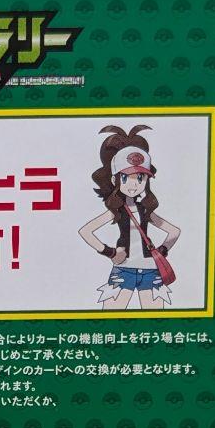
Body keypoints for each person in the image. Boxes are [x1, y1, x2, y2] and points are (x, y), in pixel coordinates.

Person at [78, 125, 181, 310]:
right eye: (126, 178)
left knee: (156, 322)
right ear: (114, 180)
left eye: (140, 178)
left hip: (151, 271)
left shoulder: (145, 210)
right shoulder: (116, 210)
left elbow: (174, 231)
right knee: (110, 318)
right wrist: (110, 252)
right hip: (123, 269)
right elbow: (85, 231)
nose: (134, 184)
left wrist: (161, 251)